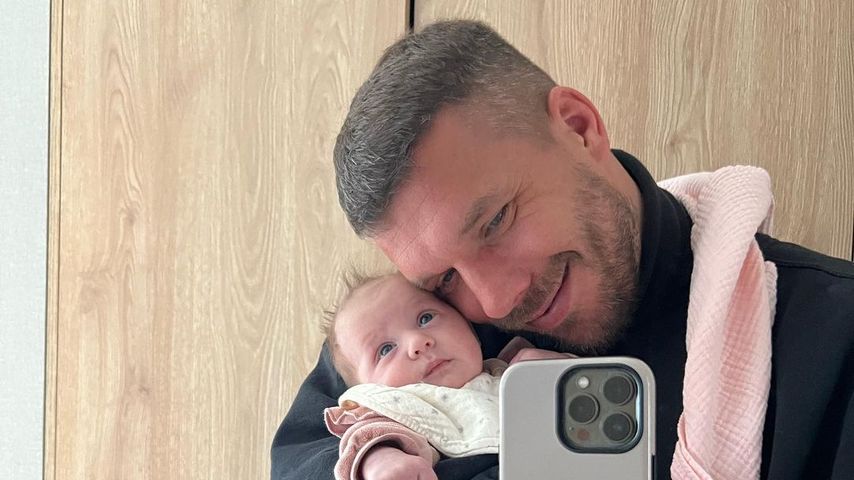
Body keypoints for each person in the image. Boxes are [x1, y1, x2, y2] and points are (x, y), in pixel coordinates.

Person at [272, 20, 854, 480]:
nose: (496, 303)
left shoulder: (832, 339)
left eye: (496, 221)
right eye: (444, 279)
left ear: (579, 127)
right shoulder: (427, 338)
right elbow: (307, 447)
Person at [321, 272, 563, 480]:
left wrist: (558, 372)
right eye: (385, 349)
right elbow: (369, 437)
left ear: (471, 329)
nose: (418, 342)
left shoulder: (511, 372)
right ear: (370, 389)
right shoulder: (397, 408)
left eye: (425, 318)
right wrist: (381, 462)